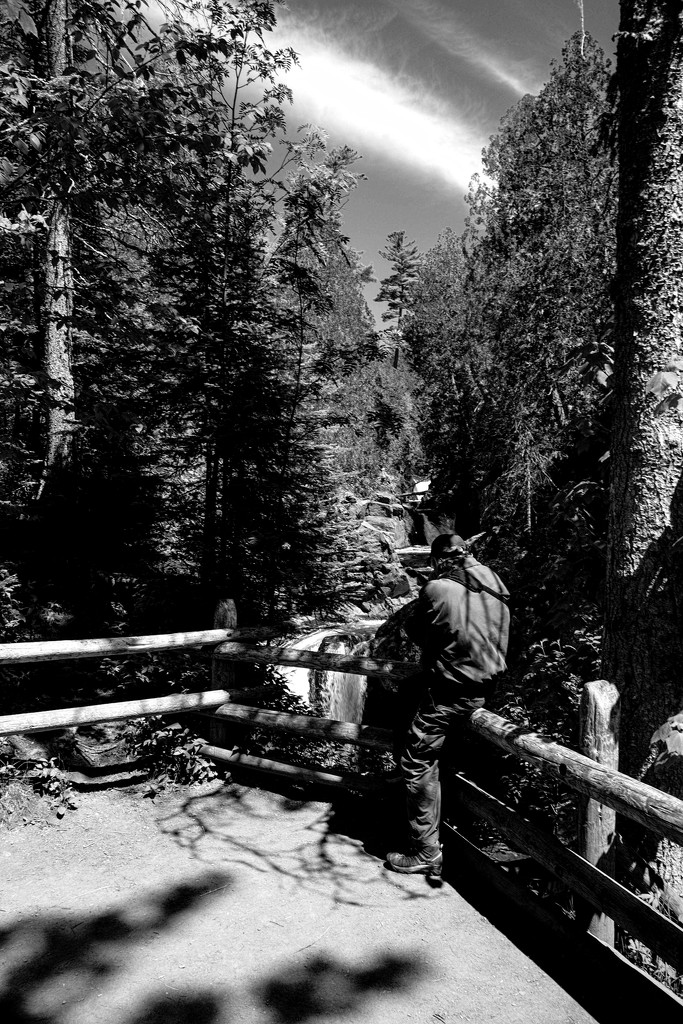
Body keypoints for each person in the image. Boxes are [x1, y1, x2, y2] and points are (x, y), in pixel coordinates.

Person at [385, 532, 510, 877]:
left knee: (418, 760)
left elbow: (417, 630)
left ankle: (426, 851)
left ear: (438, 560)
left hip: (452, 692)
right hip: (490, 687)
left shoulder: (436, 588)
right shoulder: (492, 579)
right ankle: (466, 831)